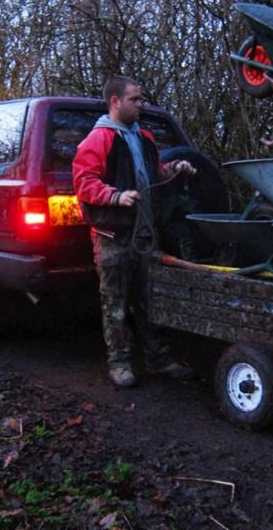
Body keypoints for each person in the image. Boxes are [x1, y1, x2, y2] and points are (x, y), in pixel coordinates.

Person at [72, 76, 196, 387]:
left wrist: (177, 168)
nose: (141, 104)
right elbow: (84, 183)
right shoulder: (98, 139)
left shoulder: (145, 138)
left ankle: (158, 360)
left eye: (141, 99)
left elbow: (155, 175)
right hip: (112, 237)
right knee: (114, 303)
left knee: (149, 300)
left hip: (144, 236)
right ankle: (120, 364)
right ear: (115, 101)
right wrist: (115, 196)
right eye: (135, 100)